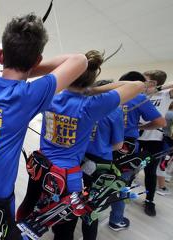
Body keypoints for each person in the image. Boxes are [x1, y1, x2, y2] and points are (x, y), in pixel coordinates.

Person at [0, 13, 88, 239]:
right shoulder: (28, 94)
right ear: (37, 61)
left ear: (1, 56)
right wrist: (30, 67)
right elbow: (80, 61)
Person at [16, 50, 145, 240]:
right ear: (90, 80)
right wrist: (94, 89)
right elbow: (139, 85)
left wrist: (69, 79)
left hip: (40, 168)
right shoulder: (91, 105)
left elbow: (26, 75)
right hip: (67, 178)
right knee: (64, 229)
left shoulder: (50, 96)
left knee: (29, 205)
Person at [84, 79, 126, 234]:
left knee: (72, 197)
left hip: (78, 158)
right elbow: (118, 145)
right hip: (101, 162)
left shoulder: (83, 106)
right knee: (92, 205)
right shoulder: (114, 111)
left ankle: (61, 229)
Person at [133, 70, 169, 216]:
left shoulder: (165, 94)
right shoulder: (142, 94)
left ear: (154, 83)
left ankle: (149, 200)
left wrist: (159, 88)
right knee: (129, 169)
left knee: (150, 172)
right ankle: (125, 193)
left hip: (153, 140)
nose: (142, 82)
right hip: (135, 137)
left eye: (145, 80)